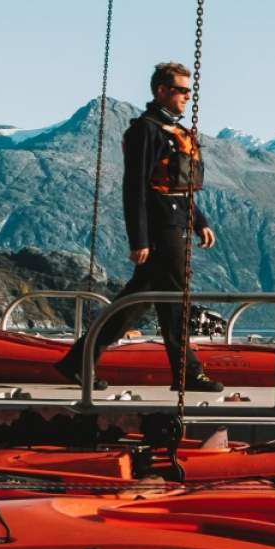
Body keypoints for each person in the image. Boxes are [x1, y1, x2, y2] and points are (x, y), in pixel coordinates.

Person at [57, 61, 219, 392]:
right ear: (162, 91)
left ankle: (78, 361)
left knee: (138, 300)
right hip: (161, 228)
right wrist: (139, 239)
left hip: (176, 222)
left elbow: (177, 185)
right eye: (182, 90)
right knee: (174, 296)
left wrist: (199, 220)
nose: (188, 97)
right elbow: (136, 187)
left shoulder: (172, 132)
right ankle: (187, 374)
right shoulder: (145, 131)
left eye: (190, 91)